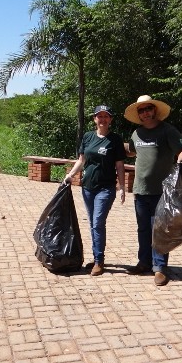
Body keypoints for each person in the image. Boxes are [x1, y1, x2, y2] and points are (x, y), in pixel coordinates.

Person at [124, 95, 182, 286]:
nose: (145, 113)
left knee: (160, 230)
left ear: (154, 110)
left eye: (148, 109)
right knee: (143, 228)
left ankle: (160, 268)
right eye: (141, 110)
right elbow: (131, 151)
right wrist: (108, 142)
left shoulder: (167, 130)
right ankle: (143, 263)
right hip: (140, 190)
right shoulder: (136, 133)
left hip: (162, 192)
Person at [63, 105, 126, 276]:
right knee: (93, 224)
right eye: (100, 116)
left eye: (106, 116)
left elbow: (119, 165)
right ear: (94, 119)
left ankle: (99, 260)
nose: (103, 119)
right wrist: (70, 175)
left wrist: (122, 187)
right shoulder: (88, 137)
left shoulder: (115, 140)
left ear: (110, 120)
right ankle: (97, 256)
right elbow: (81, 160)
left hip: (106, 188)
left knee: (98, 223)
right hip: (88, 187)